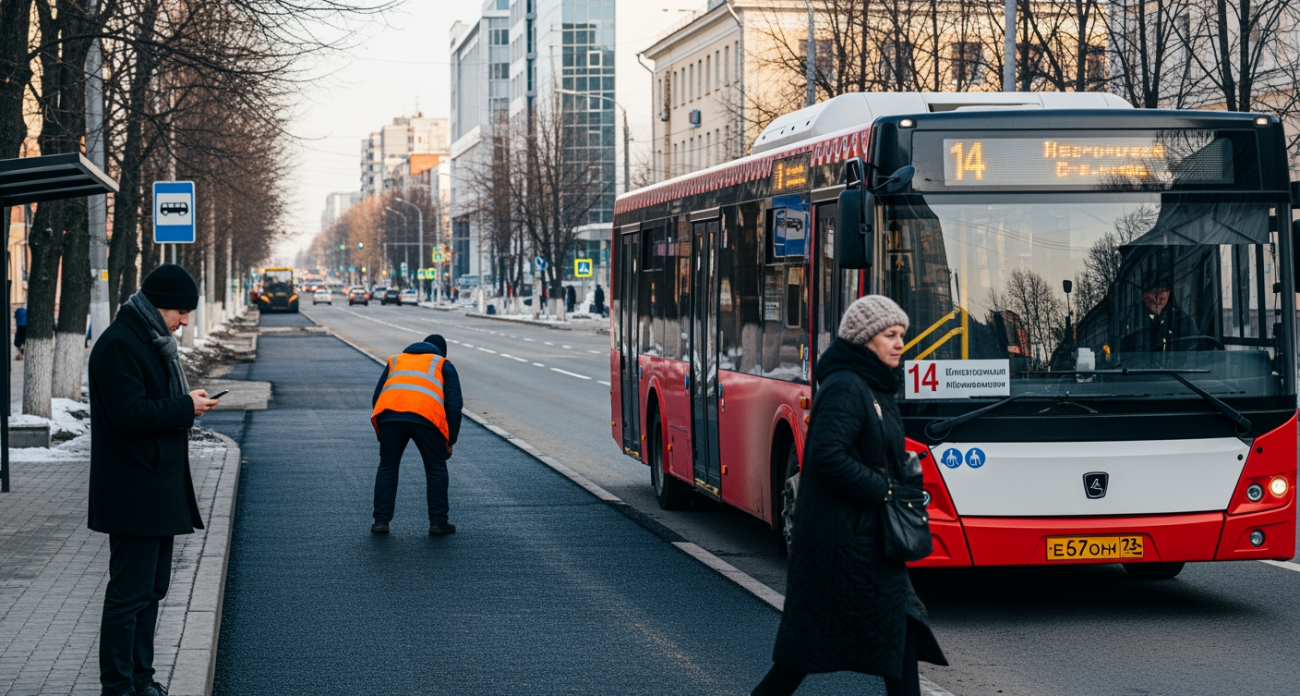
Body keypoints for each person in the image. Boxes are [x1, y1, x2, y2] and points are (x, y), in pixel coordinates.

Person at [753, 295, 946, 696]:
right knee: (802, 655)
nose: (899, 344)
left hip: (866, 541)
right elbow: (825, 458)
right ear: (865, 339)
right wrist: (886, 489)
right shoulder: (846, 387)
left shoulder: (873, 385)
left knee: (900, 635)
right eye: (890, 335)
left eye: (901, 335)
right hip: (846, 545)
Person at [88, 264, 221, 696]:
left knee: (151, 591)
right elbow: (129, 416)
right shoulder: (119, 345)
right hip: (134, 491)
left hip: (155, 488)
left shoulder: (149, 341)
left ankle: (141, 680)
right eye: (180, 312)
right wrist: (185, 408)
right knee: (129, 595)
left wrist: (187, 402)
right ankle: (118, 686)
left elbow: (155, 403)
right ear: (157, 304)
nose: (184, 321)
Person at [371, 333, 463, 535]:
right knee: (436, 468)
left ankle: (380, 521)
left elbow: (378, 396)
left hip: (390, 416)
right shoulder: (443, 364)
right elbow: (454, 406)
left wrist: (382, 430)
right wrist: (449, 440)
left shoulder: (396, 360)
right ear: (441, 352)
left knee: (387, 468)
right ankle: (438, 523)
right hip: (426, 418)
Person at [1121, 276, 1200, 353]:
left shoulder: (1182, 319)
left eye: (1161, 298)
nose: (1157, 301)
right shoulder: (1132, 318)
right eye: (1153, 296)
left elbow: (1192, 350)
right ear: (1144, 295)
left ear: (1168, 294)